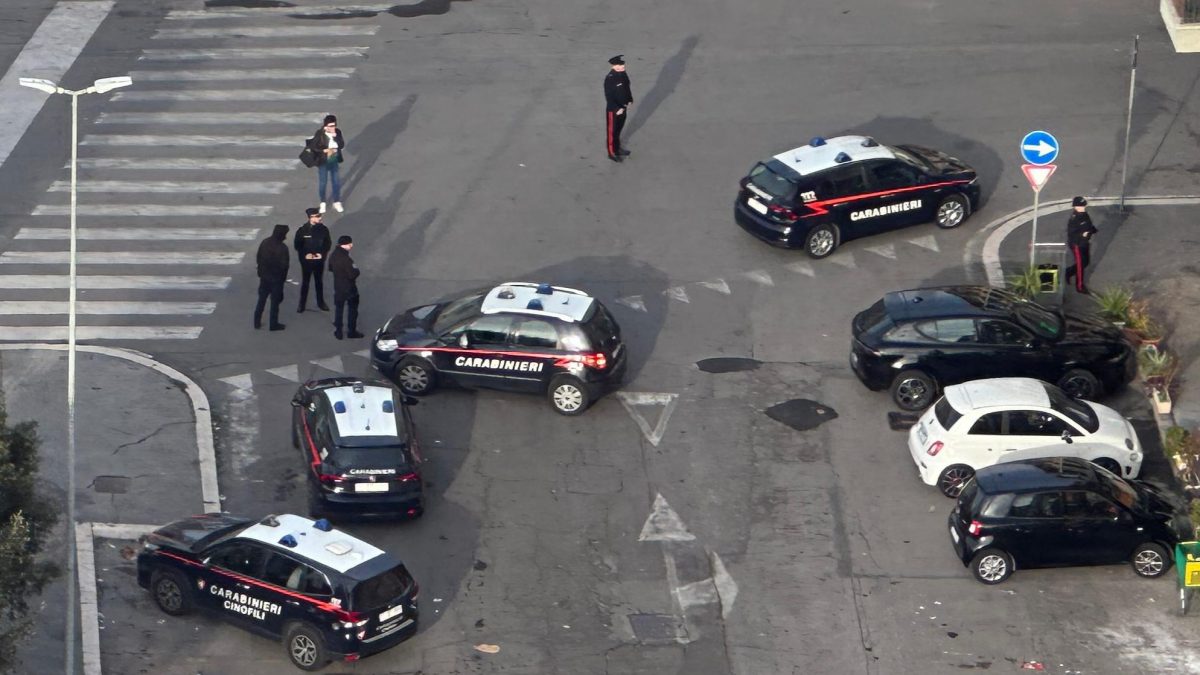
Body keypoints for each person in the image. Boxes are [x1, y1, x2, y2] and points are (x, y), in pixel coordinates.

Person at [294, 207, 331, 312]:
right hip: (307, 262)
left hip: (319, 261)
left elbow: (327, 244)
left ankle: (320, 302)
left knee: (319, 282)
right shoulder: (302, 230)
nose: (320, 218)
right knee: (305, 282)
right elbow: (298, 246)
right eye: (318, 216)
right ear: (311, 217)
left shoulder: (324, 229)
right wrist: (306, 256)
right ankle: (302, 304)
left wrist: (321, 255)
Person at [254, 224, 290, 331]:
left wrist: (260, 271)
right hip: (276, 279)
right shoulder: (282, 248)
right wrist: (283, 279)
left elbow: (258, 257)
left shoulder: (265, 242)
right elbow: (284, 266)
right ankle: (273, 324)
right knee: (275, 303)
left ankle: (256, 322)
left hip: (264, 277)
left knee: (261, 300)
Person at [310, 114, 346, 214]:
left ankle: (336, 201)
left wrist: (335, 137)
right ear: (326, 126)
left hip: (334, 159)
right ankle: (323, 202)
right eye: (331, 126)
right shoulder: (320, 134)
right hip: (323, 161)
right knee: (323, 183)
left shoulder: (337, 132)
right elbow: (314, 147)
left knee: (336, 182)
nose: (333, 127)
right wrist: (324, 150)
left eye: (334, 125)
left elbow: (342, 144)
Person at [329, 235, 362, 340]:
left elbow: (330, 268)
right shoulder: (347, 259)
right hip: (349, 287)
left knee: (339, 309)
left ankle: (338, 331)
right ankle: (351, 332)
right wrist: (356, 270)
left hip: (338, 286)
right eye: (350, 244)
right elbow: (353, 274)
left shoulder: (334, 255)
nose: (351, 245)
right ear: (345, 245)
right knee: (352, 310)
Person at [1064, 196, 1097, 294]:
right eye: (1082, 206)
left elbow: (1088, 225)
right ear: (1076, 207)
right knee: (1080, 265)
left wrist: (1092, 230)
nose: (1084, 207)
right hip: (1077, 244)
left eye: (1084, 206)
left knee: (1086, 262)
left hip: (1085, 243)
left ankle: (1069, 272)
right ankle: (1080, 286)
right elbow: (1071, 233)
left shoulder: (1084, 214)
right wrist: (1082, 235)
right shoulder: (1074, 219)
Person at [604, 55, 633, 163]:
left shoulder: (623, 74)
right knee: (612, 132)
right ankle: (611, 152)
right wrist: (617, 108)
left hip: (623, 107)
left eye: (623, 65)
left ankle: (617, 148)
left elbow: (627, 88)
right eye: (621, 65)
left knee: (618, 130)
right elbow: (609, 96)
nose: (623, 66)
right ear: (614, 66)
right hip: (614, 110)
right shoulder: (610, 78)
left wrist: (630, 100)